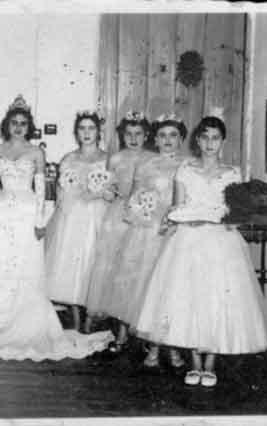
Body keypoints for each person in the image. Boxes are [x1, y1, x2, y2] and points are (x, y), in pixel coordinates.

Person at [0, 95, 113, 361]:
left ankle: (25, 316)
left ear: (29, 126)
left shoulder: (36, 153)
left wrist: (40, 221)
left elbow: (42, 191)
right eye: (14, 122)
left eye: (23, 123)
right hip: (3, 211)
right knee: (0, 262)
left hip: (26, 212)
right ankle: (0, 317)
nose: (18, 127)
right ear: (7, 125)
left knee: (27, 262)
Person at [135, 116, 267, 387]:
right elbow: (177, 208)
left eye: (215, 138)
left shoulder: (233, 173)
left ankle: (210, 364)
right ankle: (195, 364)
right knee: (190, 299)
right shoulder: (185, 170)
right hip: (188, 240)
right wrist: (179, 220)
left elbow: (235, 212)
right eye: (205, 137)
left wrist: (223, 219)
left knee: (216, 299)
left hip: (220, 242)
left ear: (222, 141)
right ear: (197, 141)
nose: (210, 143)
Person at [109, 114, 188, 367]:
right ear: (155, 139)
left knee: (171, 288)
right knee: (144, 286)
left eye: (173, 135)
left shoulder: (188, 165)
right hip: (148, 231)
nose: (167, 140)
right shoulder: (146, 164)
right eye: (162, 135)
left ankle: (172, 346)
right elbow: (133, 198)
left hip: (175, 230)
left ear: (181, 139)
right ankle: (150, 345)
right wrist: (140, 211)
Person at [83, 111, 153, 345]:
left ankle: (130, 327)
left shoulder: (152, 159)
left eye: (138, 134)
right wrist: (108, 192)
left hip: (141, 216)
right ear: (122, 135)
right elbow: (110, 186)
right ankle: (106, 321)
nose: (133, 138)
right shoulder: (115, 159)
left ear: (146, 135)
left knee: (134, 270)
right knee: (111, 267)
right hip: (118, 215)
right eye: (128, 134)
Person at [45, 110, 110, 330]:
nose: (86, 133)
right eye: (82, 128)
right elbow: (61, 193)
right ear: (76, 133)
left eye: (91, 128)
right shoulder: (69, 159)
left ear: (98, 132)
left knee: (93, 263)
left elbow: (113, 192)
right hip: (73, 217)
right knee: (71, 264)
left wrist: (100, 193)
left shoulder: (107, 159)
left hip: (98, 215)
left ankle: (90, 317)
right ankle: (75, 316)